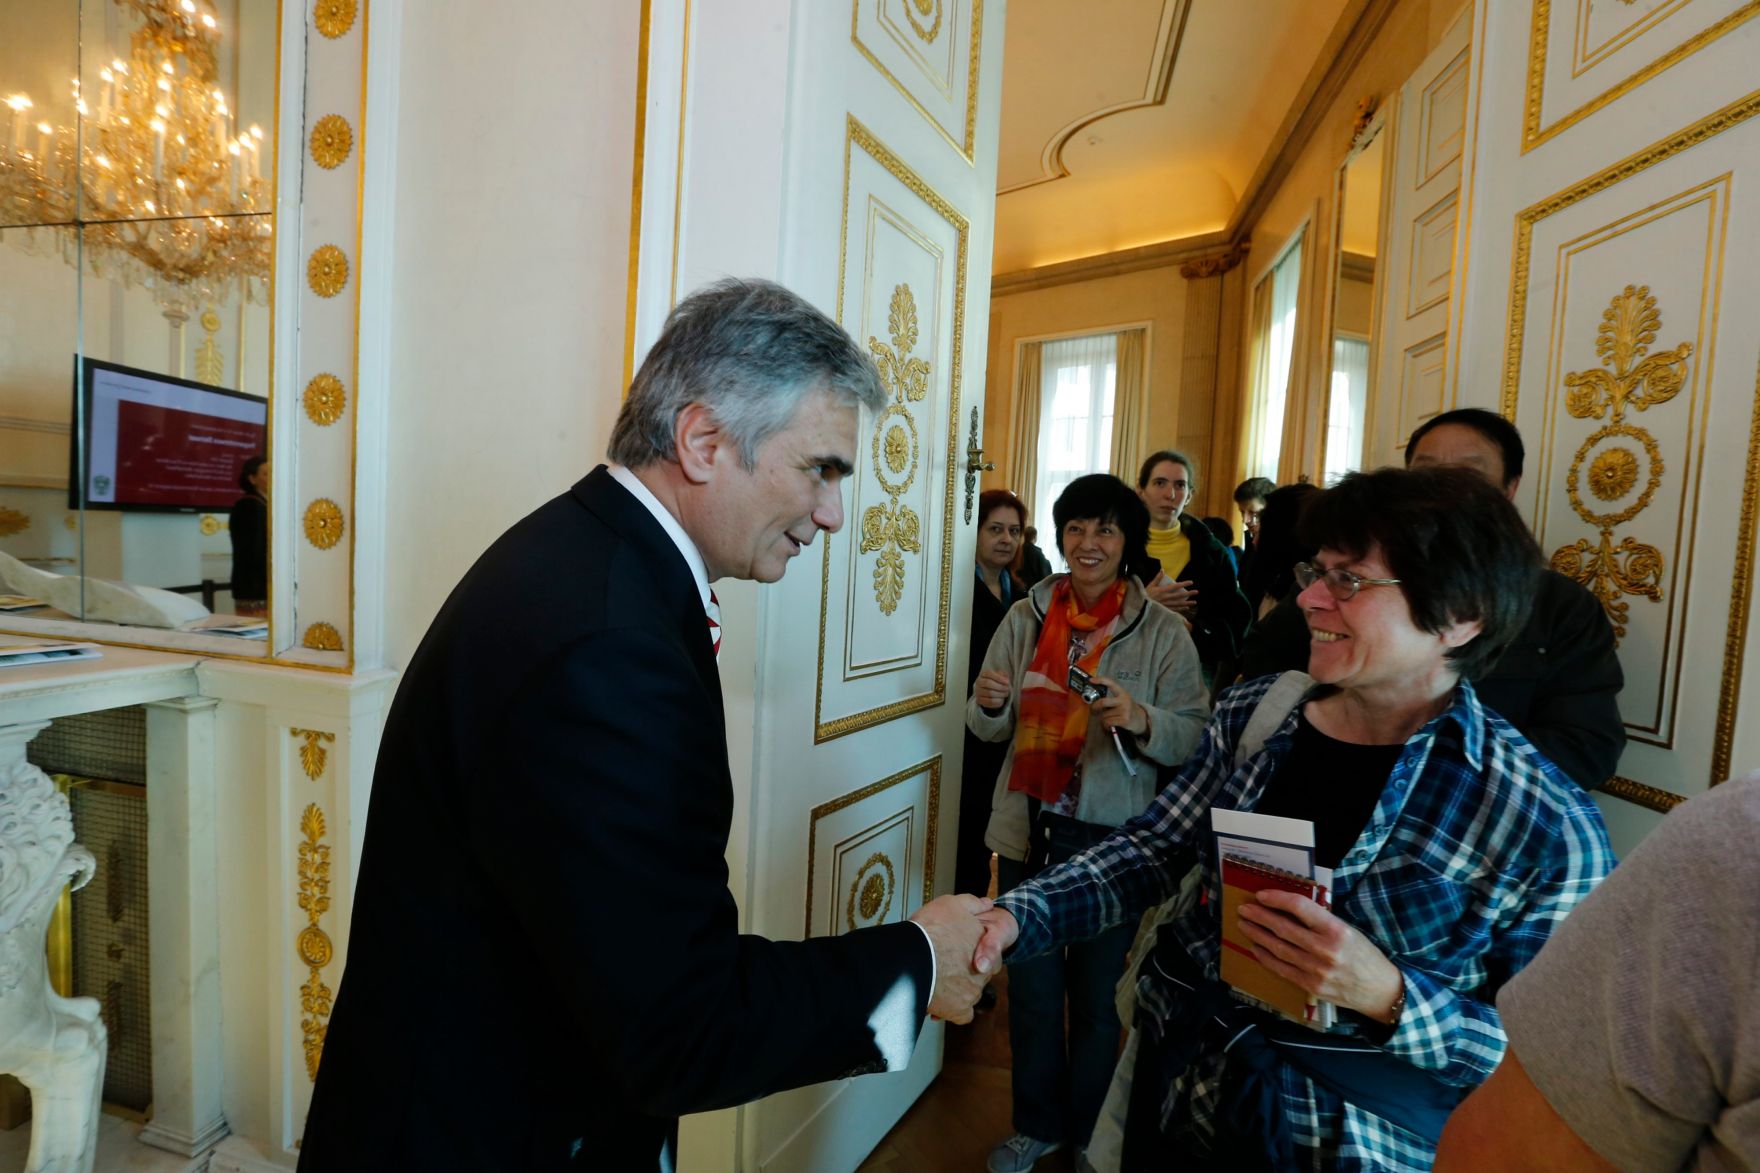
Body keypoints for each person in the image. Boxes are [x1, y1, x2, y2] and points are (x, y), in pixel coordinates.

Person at [298, 279, 991, 1172]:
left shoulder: (590, 557)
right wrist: (918, 962)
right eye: (819, 469)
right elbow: (679, 1022)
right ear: (703, 441)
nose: (832, 513)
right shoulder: (608, 639)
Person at [973, 466, 1615, 1171]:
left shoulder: (1543, 822)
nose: (1308, 597)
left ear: (1461, 616)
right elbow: (1153, 849)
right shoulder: (1259, 714)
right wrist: (1011, 918)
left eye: (1350, 581)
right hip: (1181, 1087)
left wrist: (1390, 996)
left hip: (1346, 1143)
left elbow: (1555, 1061)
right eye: (1316, 571)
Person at [968, 473, 1209, 1173]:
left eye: (1105, 529)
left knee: (1101, 1001)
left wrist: (1141, 717)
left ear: (1127, 541)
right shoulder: (1027, 616)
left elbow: (1196, 736)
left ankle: (1092, 1136)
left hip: (1115, 840)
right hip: (1031, 826)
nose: (1088, 542)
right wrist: (989, 704)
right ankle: (1037, 1125)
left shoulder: (1161, 632)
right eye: (1075, 528)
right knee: (1033, 993)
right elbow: (987, 727)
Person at [1239, 407, 1625, 790]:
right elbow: (1265, 660)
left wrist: (1428, 774)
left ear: (1509, 489)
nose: (1441, 490)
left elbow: (1586, 744)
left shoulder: (1560, 606)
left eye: (1468, 474)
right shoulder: (1332, 584)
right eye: (1424, 475)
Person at [1436, 772, 1760, 1171]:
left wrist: (1393, 995)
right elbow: (1503, 1148)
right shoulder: (1740, 846)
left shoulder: (1560, 825)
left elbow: (1498, 1054)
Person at [959, 488, 1029, 901]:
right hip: (964, 728)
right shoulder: (954, 590)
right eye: (995, 529)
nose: (1006, 539)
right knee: (965, 839)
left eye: (1014, 531)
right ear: (976, 532)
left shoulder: (1022, 596)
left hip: (1007, 733)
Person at [1135, 450, 1251, 682]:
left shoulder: (1210, 551)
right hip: (1129, 659)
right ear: (1141, 490)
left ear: (1189, 495)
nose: (1170, 494)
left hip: (1191, 666)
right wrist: (1142, 603)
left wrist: (1192, 628)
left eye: (1180, 485)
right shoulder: (1117, 545)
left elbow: (1235, 620)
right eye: (1159, 483)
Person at [228, 455, 268, 617]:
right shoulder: (248, 505)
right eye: (266, 473)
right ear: (252, 479)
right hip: (255, 587)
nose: (273, 477)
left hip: (268, 585)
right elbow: (253, 551)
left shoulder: (268, 504)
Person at [1232, 475, 1275, 581]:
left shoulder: (1281, 549)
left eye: (1252, 512)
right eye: (1242, 512)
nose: (1245, 520)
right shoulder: (1251, 542)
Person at [1017, 523, 1054, 587]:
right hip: (1034, 587)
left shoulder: (1018, 551)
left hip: (1019, 586)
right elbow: (1044, 573)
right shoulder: (1037, 552)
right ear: (1035, 537)